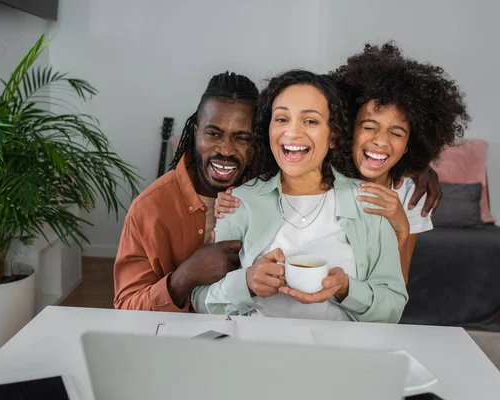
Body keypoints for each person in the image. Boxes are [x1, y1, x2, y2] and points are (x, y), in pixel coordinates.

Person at [215, 42, 469, 282]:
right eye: (369, 127)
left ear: (410, 144)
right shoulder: (322, 168)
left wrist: (401, 227)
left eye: (397, 133)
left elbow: (396, 292)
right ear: (345, 129)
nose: (380, 141)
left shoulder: (410, 194)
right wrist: (230, 201)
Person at [192, 69, 408, 323]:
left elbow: (393, 309)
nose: (292, 133)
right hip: (257, 353)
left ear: (333, 136)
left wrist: (347, 289)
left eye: (311, 121)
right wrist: (247, 283)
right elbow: (200, 302)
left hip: (340, 357)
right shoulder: (240, 202)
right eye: (282, 119)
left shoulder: (368, 202)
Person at [113, 72, 258, 311]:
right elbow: (126, 307)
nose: (226, 150)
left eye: (242, 138)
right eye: (213, 134)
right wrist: (184, 277)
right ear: (194, 133)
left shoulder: (272, 195)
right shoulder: (149, 208)